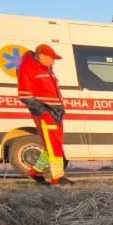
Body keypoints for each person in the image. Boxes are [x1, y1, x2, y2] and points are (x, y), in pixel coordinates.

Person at [17, 44, 71, 185]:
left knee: (52, 146)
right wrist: (43, 112)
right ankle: (57, 177)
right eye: (51, 58)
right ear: (42, 56)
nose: (53, 62)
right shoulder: (28, 68)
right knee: (54, 146)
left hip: (56, 112)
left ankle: (36, 172)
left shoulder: (47, 69)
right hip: (45, 112)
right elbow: (25, 95)